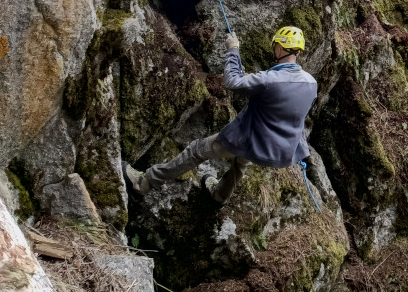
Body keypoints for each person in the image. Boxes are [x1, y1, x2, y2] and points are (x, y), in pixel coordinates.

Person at [123, 26, 317, 205]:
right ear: (298, 50)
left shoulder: (269, 80)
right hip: (279, 150)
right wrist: (255, 82)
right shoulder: (310, 83)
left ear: (281, 48)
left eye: (276, 45)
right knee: (241, 162)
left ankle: (143, 183)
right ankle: (219, 196)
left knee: (197, 150)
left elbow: (233, 82)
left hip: (250, 140)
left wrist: (233, 50)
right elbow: (283, 98)